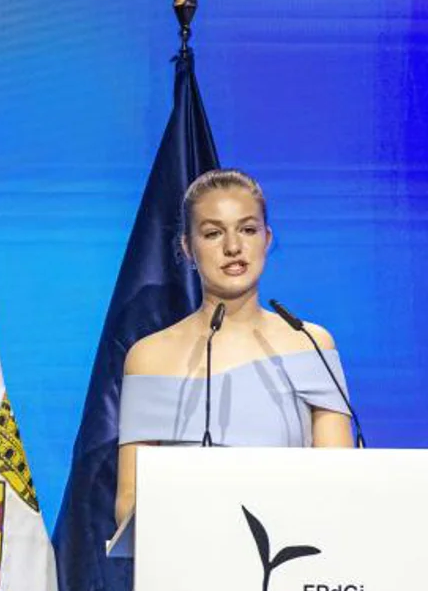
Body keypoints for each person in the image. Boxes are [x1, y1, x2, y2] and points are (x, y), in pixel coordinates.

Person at [114, 168, 355, 525]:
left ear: (267, 238)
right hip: (188, 558)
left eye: (248, 229)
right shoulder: (150, 357)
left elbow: (343, 483)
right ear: (187, 247)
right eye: (213, 233)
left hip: (292, 556)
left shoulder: (310, 344)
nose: (233, 247)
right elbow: (130, 501)